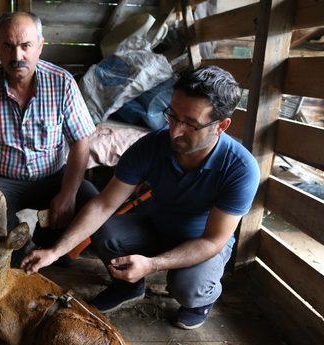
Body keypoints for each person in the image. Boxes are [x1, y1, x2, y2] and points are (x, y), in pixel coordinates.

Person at [22, 66, 260, 330]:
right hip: (156, 226)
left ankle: (200, 301)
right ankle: (128, 286)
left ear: (222, 126)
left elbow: (213, 240)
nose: (175, 131)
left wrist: (152, 264)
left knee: (188, 287)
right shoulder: (150, 146)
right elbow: (104, 204)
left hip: (200, 240)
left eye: (190, 124)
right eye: (172, 115)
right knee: (107, 231)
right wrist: (55, 252)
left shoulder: (240, 168)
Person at [0, 11, 98, 261]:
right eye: (7, 46)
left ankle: (50, 250)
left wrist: (69, 192)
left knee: (92, 203)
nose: (17, 56)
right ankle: (31, 255)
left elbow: (81, 142)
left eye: (25, 46)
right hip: (2, 180)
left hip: (53, 176)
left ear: (40, 46)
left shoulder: (62, 83)